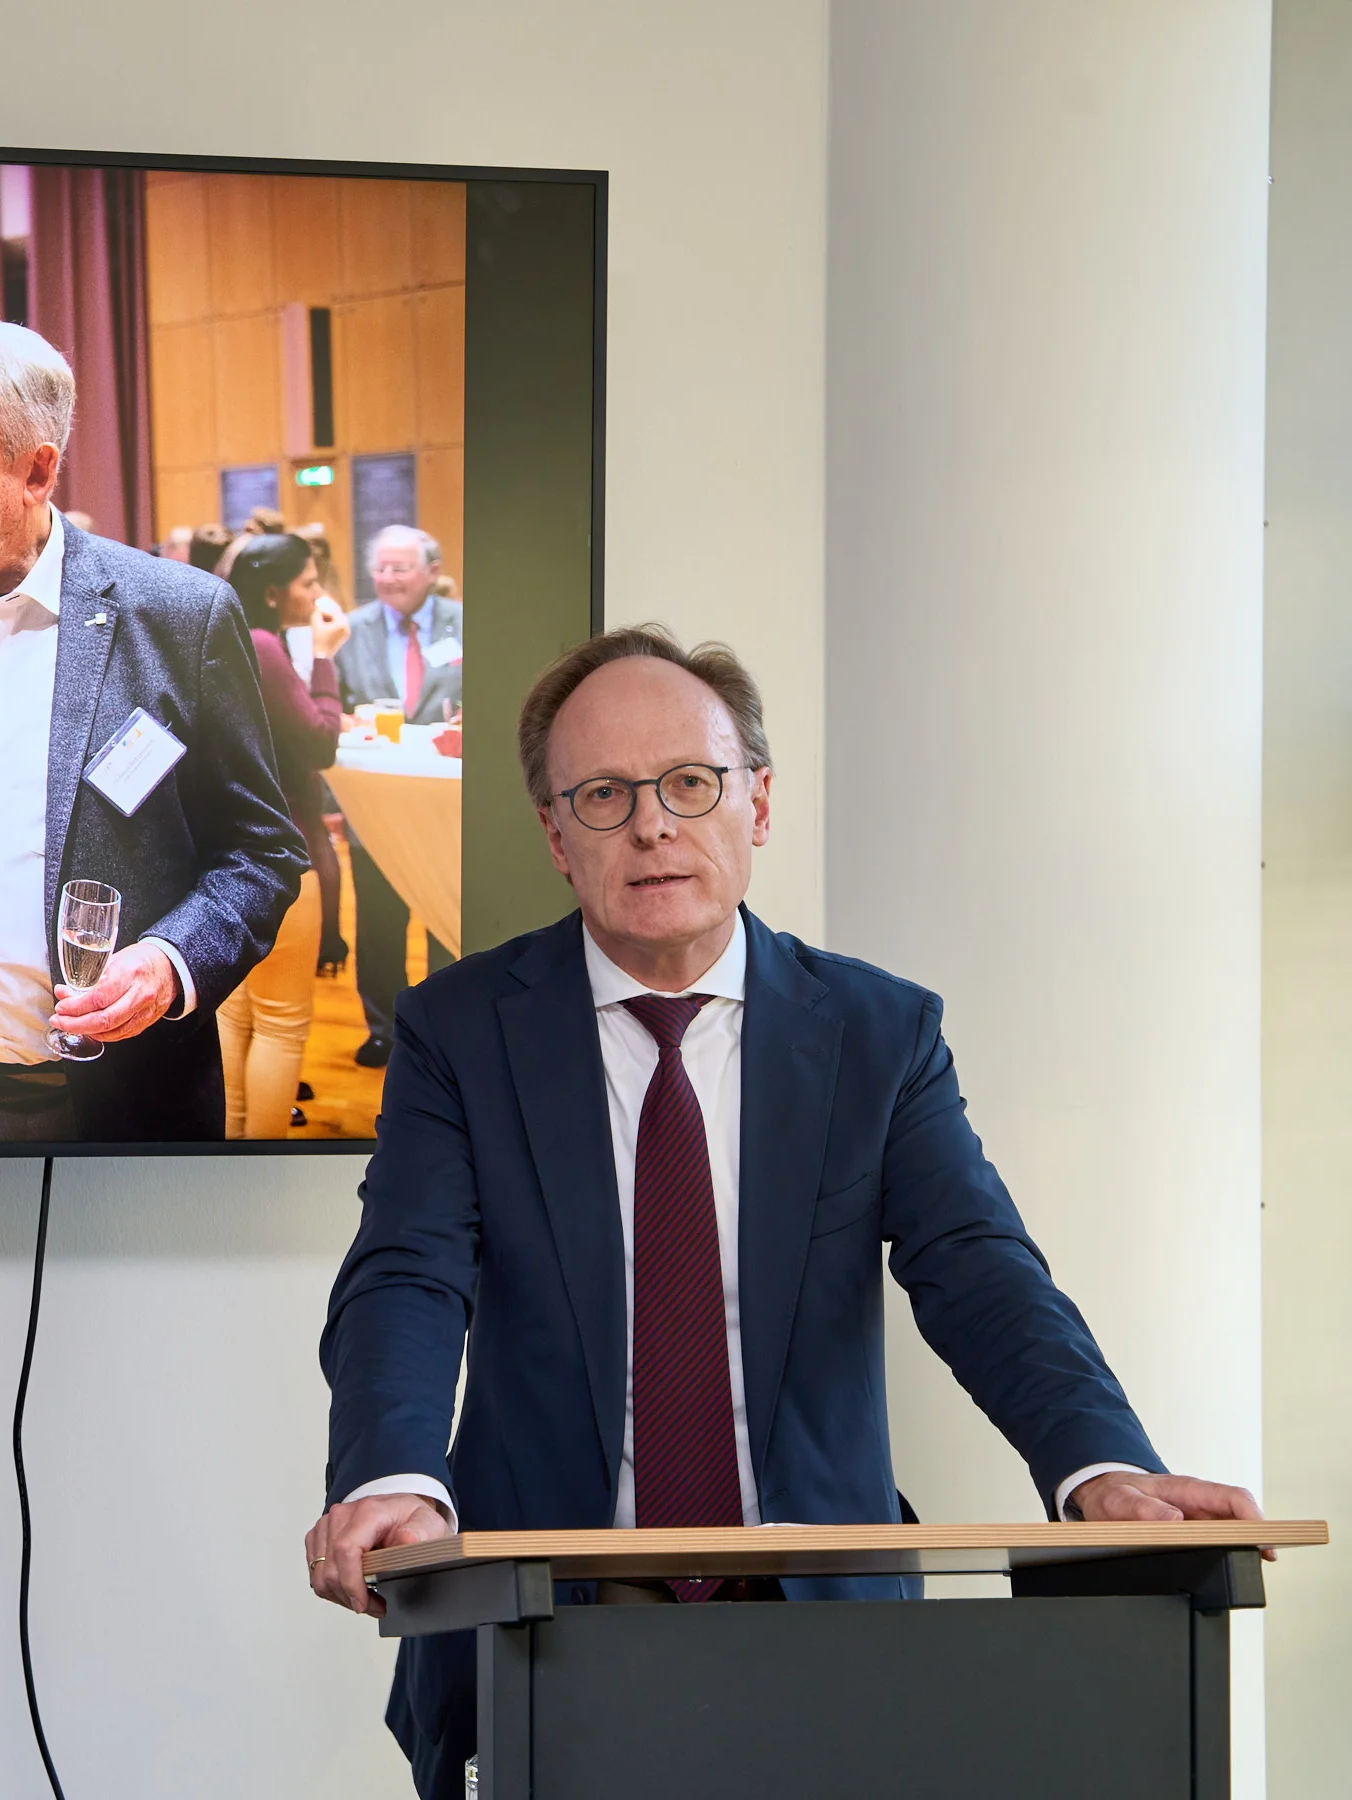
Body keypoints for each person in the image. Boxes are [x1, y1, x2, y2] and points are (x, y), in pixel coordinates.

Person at [304, 625, 1268, 1798]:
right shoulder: (460, 1033)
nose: (652, 824)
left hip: (824, 1615)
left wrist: (1101, 1466)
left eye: (689, 785)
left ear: (756, 803)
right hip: (548, 1617)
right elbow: (406, 1272)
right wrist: (393, 1475)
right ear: (557, 836)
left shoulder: (878, 1033)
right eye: (604, 796)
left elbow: (980, 1271)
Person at [0, 320, 308, 1143]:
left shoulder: (177, 618)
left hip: (117, 1106)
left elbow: (260, 853)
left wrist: (169, 963)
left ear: (38, 468)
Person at [214, 534, 347, 1138]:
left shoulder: (230, 632)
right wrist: (324, 656)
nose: (318, 594)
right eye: (309, 583)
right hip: (279, 852)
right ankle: (258, 1165)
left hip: (229, 851)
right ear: (274, 592)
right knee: (279, 1022)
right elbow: (321, 740)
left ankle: (233, 1159)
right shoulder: (265, 645)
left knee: (239, 1014)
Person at [332, 524, 463, 1065]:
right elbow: (327, 709)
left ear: (431, 571)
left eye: (400, 567)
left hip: (445, 807)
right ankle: (383, 1027)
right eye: (381, 568)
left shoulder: (467, 625)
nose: (387, 579)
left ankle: (448, 1027)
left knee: (442, 914)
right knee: (379, 921)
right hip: (374, 803)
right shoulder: (348, 630)